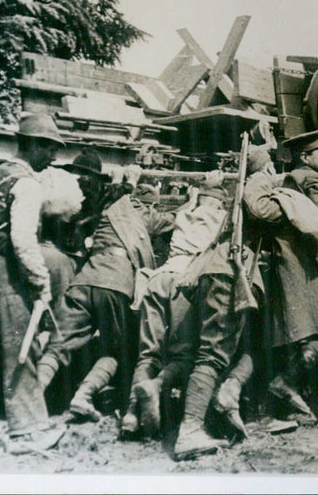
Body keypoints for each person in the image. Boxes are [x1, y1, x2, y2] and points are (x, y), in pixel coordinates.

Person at [38, 165, 185, 420]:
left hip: (85, 279)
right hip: (116, 284)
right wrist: (191, 201)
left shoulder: (111, 208)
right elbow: (177, 220)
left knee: (60, 343)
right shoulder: (148, 215)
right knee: (118, 349)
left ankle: (32, 397)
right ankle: (83, 397)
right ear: (150, 203)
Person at [0, 113, 66, 449]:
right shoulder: (26, 184)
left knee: (0, 345)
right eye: (49, 148)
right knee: (19, 348)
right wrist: (42, 282)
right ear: (32, 145)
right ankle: (25, 431)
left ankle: (16, 420)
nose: (53, 157)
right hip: (9, 274)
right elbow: (23, 241)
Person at [121, 173, 227, 441]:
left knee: (148, 354)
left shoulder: (184, 216)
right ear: (218, 204)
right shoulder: (220, 219)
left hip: (157, 279)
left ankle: (131, 415)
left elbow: (189, 205)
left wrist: (196, 194)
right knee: (184, 354)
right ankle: (156, 387)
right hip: (186, 281)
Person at [243, 144, 318, 417]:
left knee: (309, 339)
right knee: (313, 340)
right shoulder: (269, 185)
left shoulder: (283, 187)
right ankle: (283, 386)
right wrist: (271, 190)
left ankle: (283, 390)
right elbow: (259, 209)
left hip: (303, 270)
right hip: (295, 272)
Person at [173, 169, 265, 460]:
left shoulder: (240, 196)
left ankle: (208, 416)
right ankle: (189, 431)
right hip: (228, 271)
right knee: (213, 353)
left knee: (218, 350)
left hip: (214, 268)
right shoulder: (258, 189)